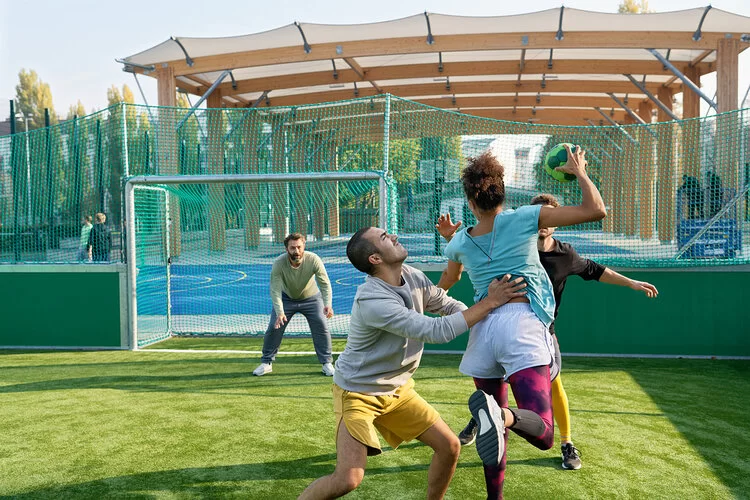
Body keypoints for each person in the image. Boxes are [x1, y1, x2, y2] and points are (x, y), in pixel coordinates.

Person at [299, 227, 530, 500]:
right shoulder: (373, 300)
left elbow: (446, 304)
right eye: (385, 238)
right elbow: (435, 331)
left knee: (450, 446)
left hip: (398, 390)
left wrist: (485, 316)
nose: (394, 237)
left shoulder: (411, 275)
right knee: (349, 478)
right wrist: (490, 303)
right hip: (358, 393)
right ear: (375, 259)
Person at [434, 146, 606, 499]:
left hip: (482, 329)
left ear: (470, 202)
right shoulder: (526, 217)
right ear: (503, 193)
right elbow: (596, 210)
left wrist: (452, 240)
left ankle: (493, 493)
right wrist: (580, 172)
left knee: (492, 431)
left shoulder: (460, 242)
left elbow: (447, 283)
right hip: (523, 326)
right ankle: (505, 416)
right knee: (543, 432)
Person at [444, 193, 659, 471]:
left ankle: (566, 442)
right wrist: (453, 238)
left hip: (542, 332)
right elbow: (473, 248)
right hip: (499, 328)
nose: (543, 222)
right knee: (494, 380)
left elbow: (595, 270)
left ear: (556, 222)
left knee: (552, 386)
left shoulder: (563, 254)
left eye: (549, 215)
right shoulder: (513, 243)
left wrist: (631, 283)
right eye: (539, 214)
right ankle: (487, 416)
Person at [253, 233, 336, 377]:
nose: (296, 251)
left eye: (299, 247)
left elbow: (325, 284)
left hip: (312, 298)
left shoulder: (314, 259)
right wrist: (280, 312)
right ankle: (266, 363)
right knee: (275, 326)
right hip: (286, 299)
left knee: (321, 325)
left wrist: (327, 304)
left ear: (304, 247)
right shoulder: (279, 263)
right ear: (287, 249)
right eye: (292, 248)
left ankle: (327, 363)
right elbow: (275, 290)